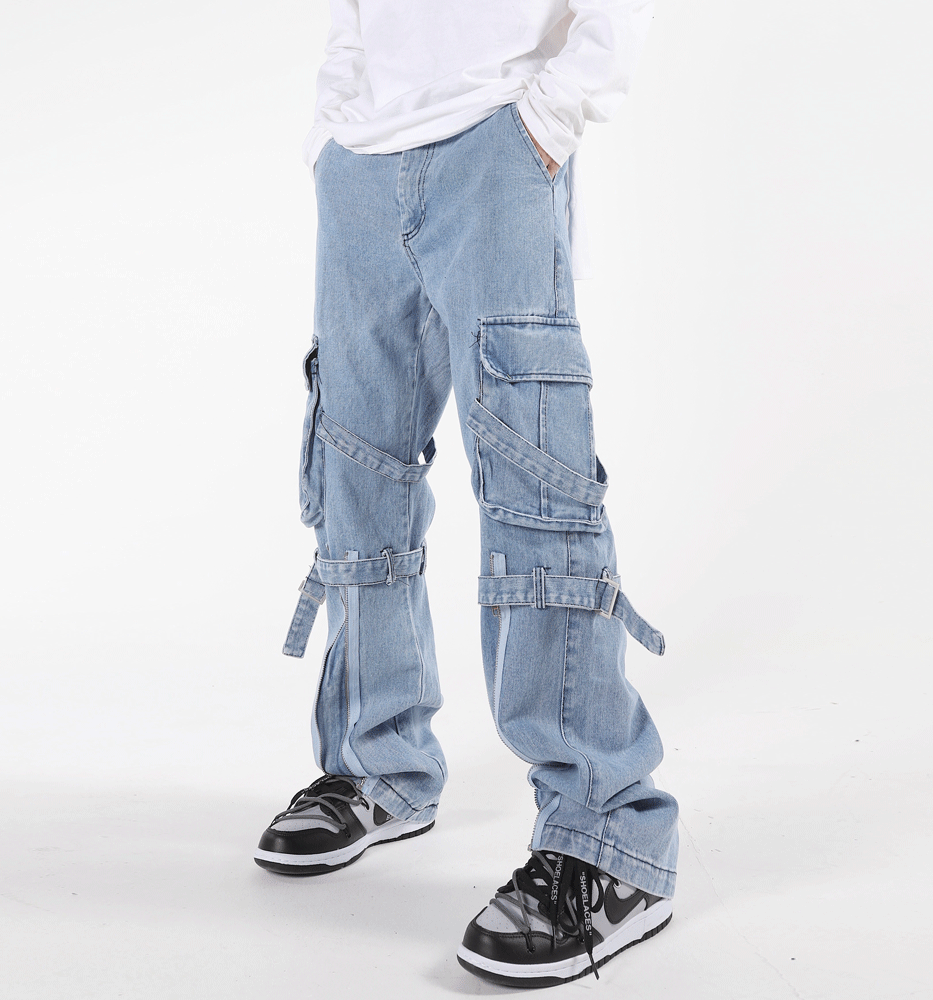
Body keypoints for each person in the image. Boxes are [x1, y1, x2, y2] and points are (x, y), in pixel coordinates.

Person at [254, 0, 679, 987]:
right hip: (363, 160)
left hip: (499, 136)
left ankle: (609, 836)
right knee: (355, 471)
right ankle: (377, 765)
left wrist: (549, 115)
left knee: (537, 482)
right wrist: (333, 135)